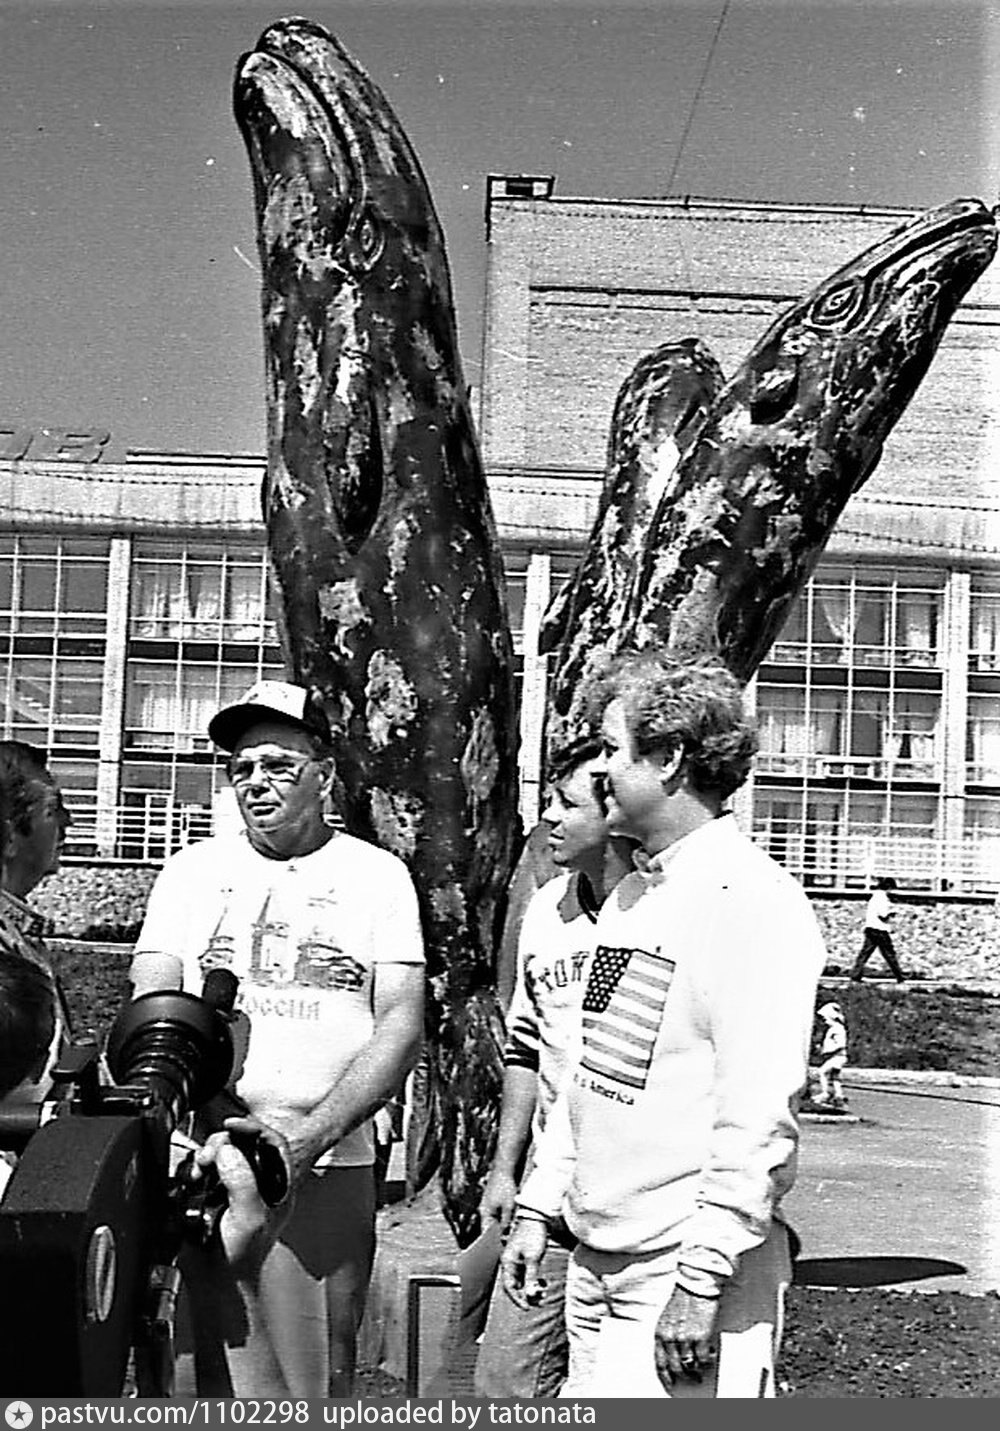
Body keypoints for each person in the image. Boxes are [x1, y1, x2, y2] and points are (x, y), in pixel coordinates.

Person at [501, 653, 826, 1399]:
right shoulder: (630, 900)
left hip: (685, 1278)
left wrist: (701, 1277)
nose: (601, 772)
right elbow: (589, 1075)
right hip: (596, 1263)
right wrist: (538, 1209)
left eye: (613, 749)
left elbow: (757, 1117)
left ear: (671, 757)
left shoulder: (750, 900)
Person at [132, 679, 425, 1397]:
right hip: (201, 1163)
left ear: (323, 774)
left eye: (278, 765)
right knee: (200, 1373)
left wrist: (305, 1141)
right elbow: (151, 1000)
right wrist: (217, 1118)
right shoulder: (190, 872)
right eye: (242, 768)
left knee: (313, 1378)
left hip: (328, 1166)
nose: (255, 782)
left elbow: (400, 1025)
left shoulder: (378, 876)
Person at [474, 739, 635, 1398]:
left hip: (637, 1207)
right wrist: (505, 1170)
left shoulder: (659, 915)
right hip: (551, 1199)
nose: (548, 818)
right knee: (504, 1383)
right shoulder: (547, 908)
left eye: (567, 803)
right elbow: (526, 1049)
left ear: (615, 813)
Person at [851, 876, 905, 983]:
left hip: (870, 928)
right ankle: (900, 976)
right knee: (889, 954)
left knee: (865, 953)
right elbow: (883, 914)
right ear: (888, 887)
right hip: (880, 929)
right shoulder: (882, 898)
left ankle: (855, 974)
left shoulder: (874, 896)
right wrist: (892, 913)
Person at [814, 1001, 848, 1107]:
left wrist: (828, 1051)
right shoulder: (833, 1029)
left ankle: (825, 1093)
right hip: (837, 1057)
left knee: (822, 1072)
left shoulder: (837, 1029)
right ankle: (839, 1095)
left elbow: (841, 1044)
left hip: (837, 1056)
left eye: (825, 1019)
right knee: (835, 1076)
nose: (825, 1021)